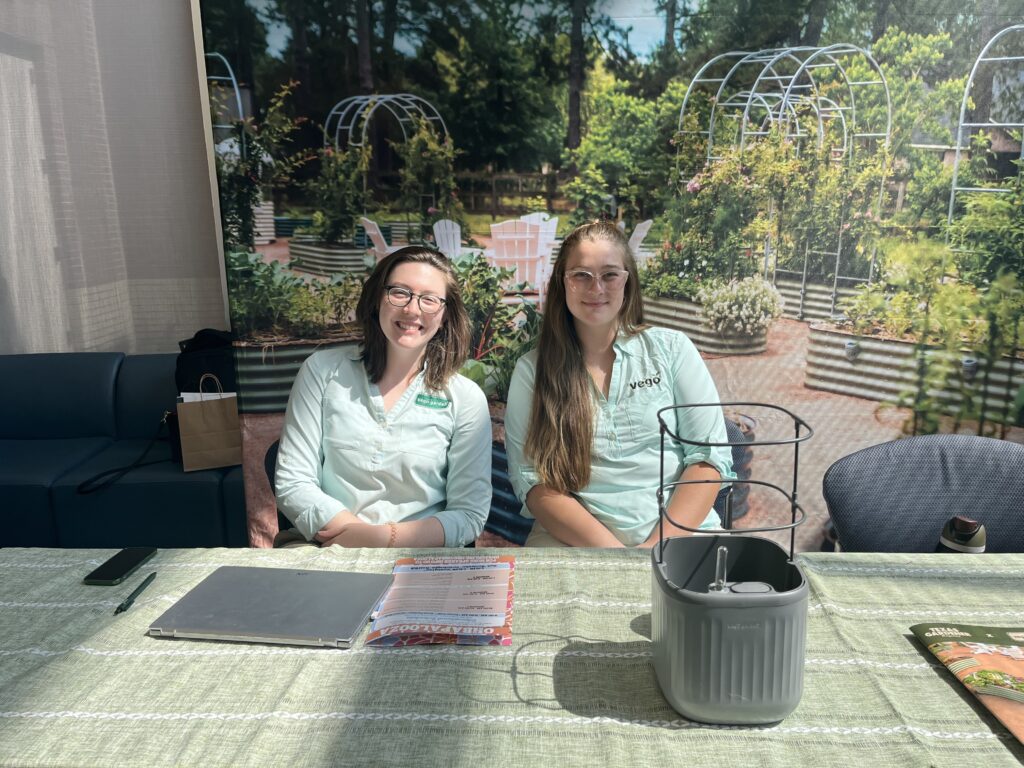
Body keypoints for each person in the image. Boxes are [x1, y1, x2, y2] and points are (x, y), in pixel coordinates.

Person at [504, 220, 733, 547]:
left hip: (681, 536)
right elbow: (535, 484)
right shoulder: (532, 371)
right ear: (562, 283)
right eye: (581, 275)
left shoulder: (672, 350)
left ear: (628, 282)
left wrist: (656, 548)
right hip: (574, 543)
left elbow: (707, 460)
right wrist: (618, 557)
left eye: (610, 274)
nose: (596, 288)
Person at [274, 246, 492, 548]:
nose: (413, 310)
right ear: (378, 299)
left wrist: (382, 539)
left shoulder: (465, 399)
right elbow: (293, 483)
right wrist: (352, 535)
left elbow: (469, 514)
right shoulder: (322, 372)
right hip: (324, 547)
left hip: (421, 557)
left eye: (429, 299)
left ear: (444, 316)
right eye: (400, 293)